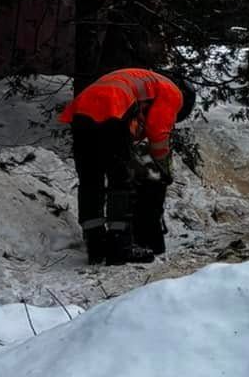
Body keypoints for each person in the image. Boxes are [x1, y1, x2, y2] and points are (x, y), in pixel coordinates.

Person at [57, 66, 197, 267]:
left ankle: (95, 244)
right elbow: (158, 134)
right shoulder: (172, 91)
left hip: (82, 110)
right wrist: (163, 167)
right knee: (120, 180)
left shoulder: (143, 80)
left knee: (90, 179)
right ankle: (119, 246)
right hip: (114, 108)